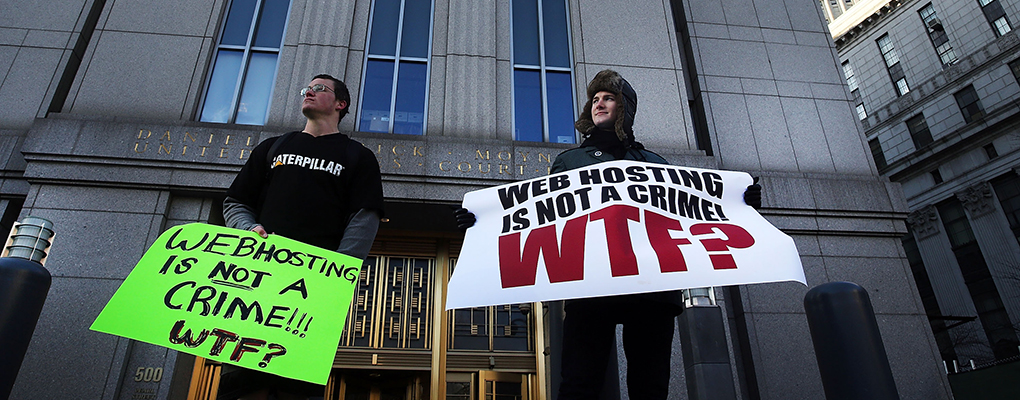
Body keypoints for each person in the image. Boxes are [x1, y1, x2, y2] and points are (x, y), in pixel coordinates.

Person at [454, 69, 761, 399]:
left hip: (650, 286)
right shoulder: (569, 162)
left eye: (608, 98)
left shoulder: (655, 163)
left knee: (650, 385)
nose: (599, 104)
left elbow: (688, 208)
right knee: (578, 382)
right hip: (592, 282)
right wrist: (484, 220)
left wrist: (738, 202)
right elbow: (540, 213)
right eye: (595, 99)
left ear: (624, 108)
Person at [219, 74, 385, 400]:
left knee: (295, 384)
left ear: (341, 103)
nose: (309, 91)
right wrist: (248, 230)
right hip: (254, 286)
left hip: (309, 295)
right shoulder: (273, 148)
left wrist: (337, 272)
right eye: (307, 88)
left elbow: (364, 218)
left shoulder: (357, 157)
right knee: (239, 381)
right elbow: (236, 202)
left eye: (319, 88)